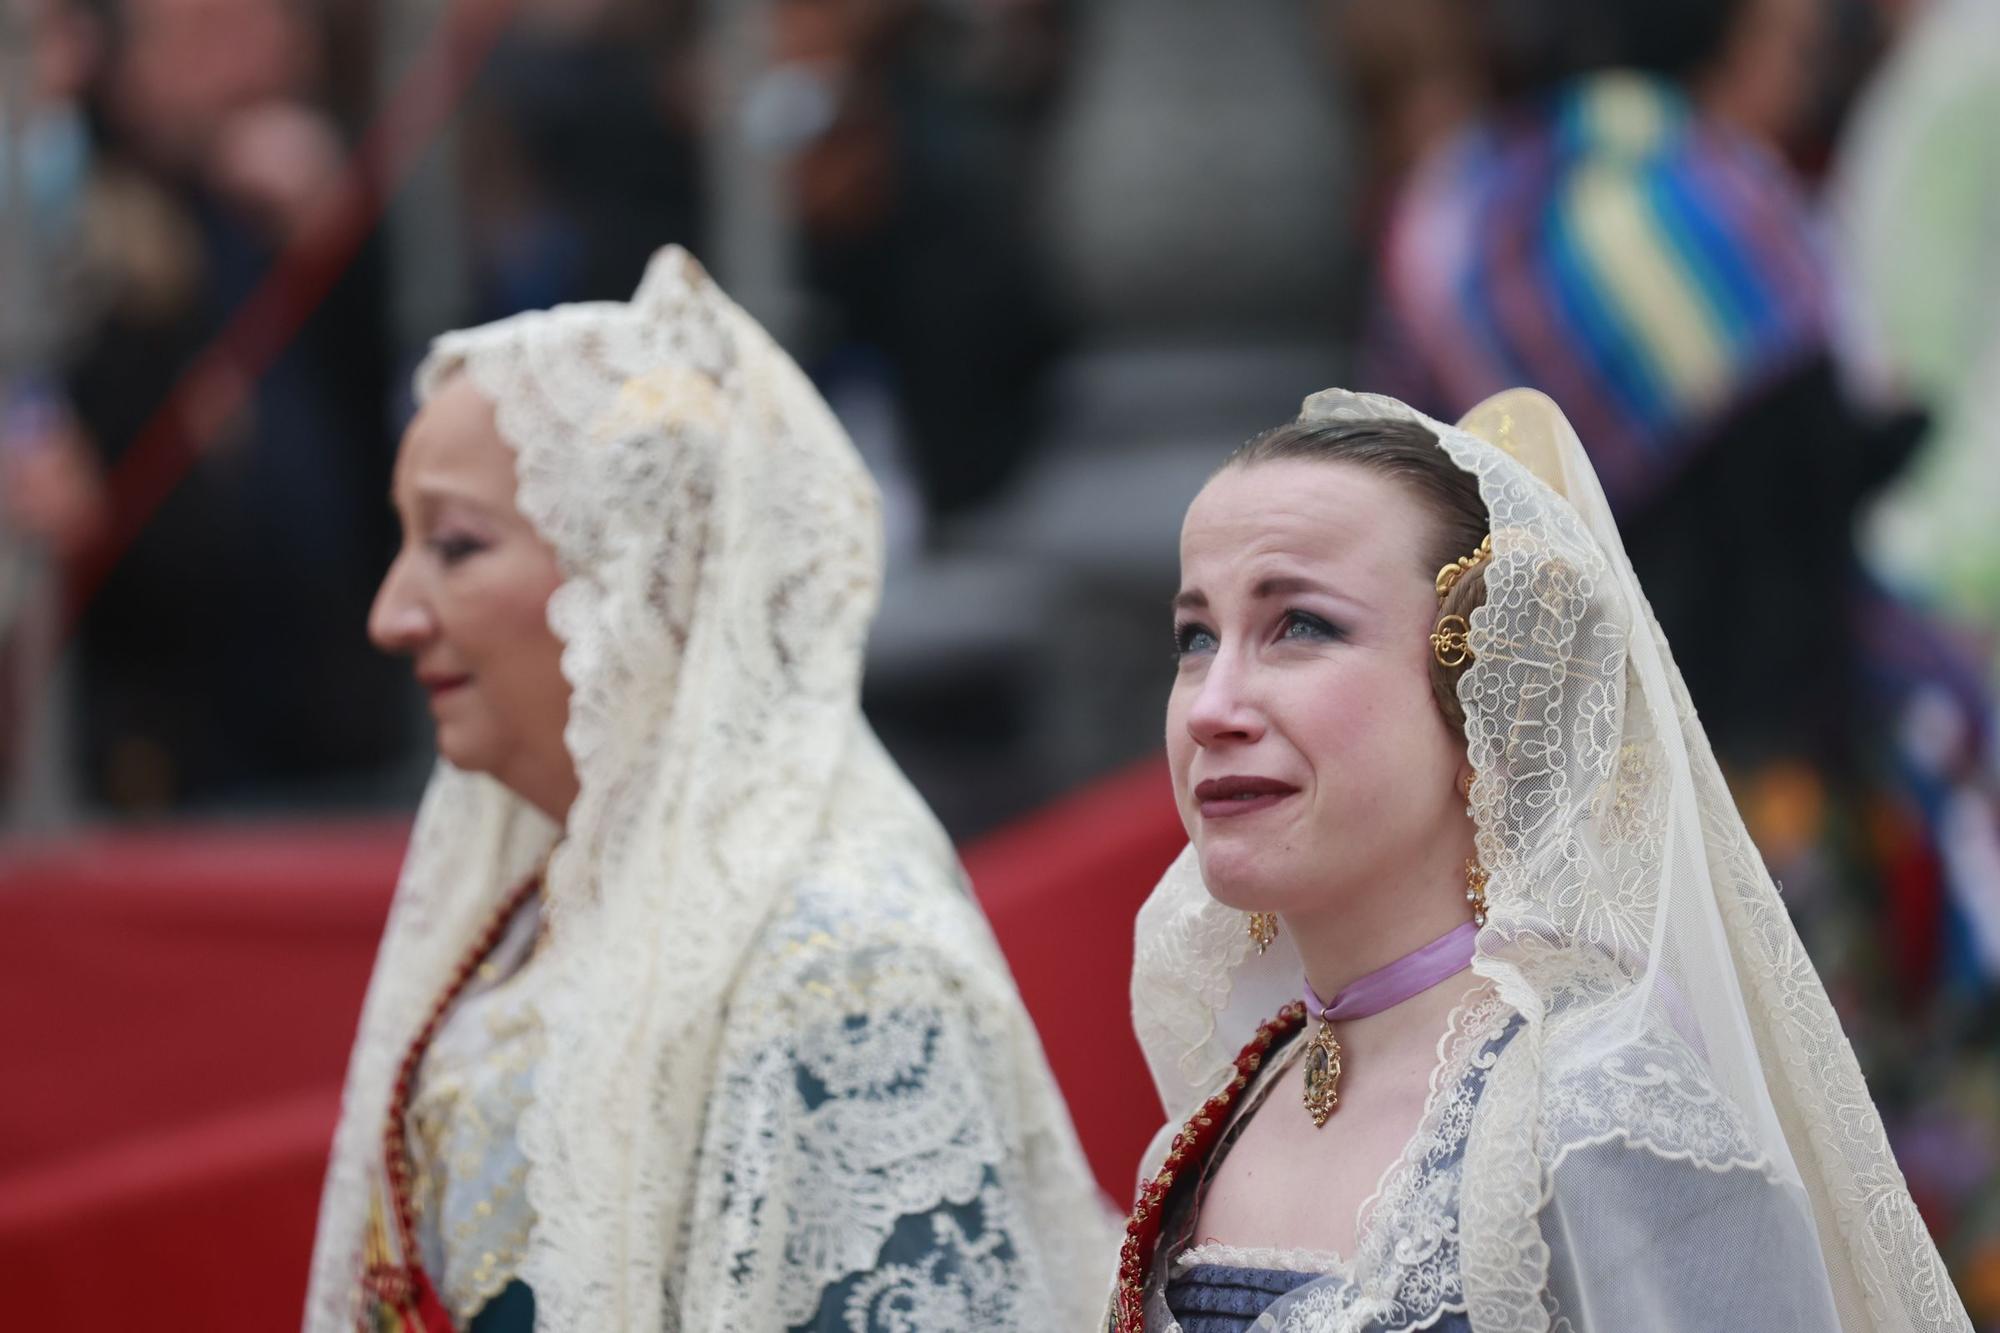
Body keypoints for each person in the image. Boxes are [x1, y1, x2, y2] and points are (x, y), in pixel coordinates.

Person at [303, 246, 1110, 1332]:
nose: (392, 615)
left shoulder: (845, 965)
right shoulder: (533, 916)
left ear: (640, 570)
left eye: (454, 545)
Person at [1110, 386, 1970, 1331]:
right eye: (1196, 637)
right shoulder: (1212, 1129)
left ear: (1488, 688)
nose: (1209, 706)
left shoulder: (1598, 1115)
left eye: (1301, 625)